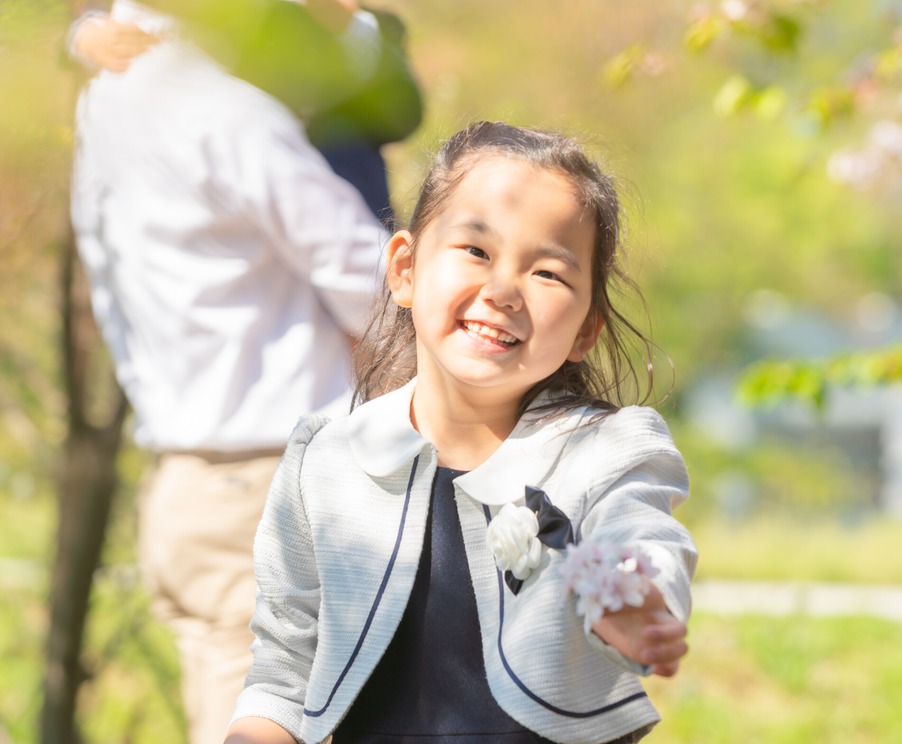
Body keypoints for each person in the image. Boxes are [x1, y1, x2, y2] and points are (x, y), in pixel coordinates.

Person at [223, 121, 698, 744]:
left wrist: (638, 599)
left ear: (587, 329)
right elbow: (284, 673)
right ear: (405, 269)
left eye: (549, 273)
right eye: (476, 250)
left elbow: (644, 536)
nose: (502, 290)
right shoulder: (328, 458)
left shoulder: (610, 450)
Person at [69, 0, 387, 744]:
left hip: (184, 486)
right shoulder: (227, 112)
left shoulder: (104, 108)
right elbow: (368, 277)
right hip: (261, 483)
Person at [68, 0, 423, 227]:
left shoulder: (379, 28)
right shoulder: (240, 5)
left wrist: (350, 28)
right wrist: (81, 37)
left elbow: (403, 116)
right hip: (231, 224)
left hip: (350, 222)